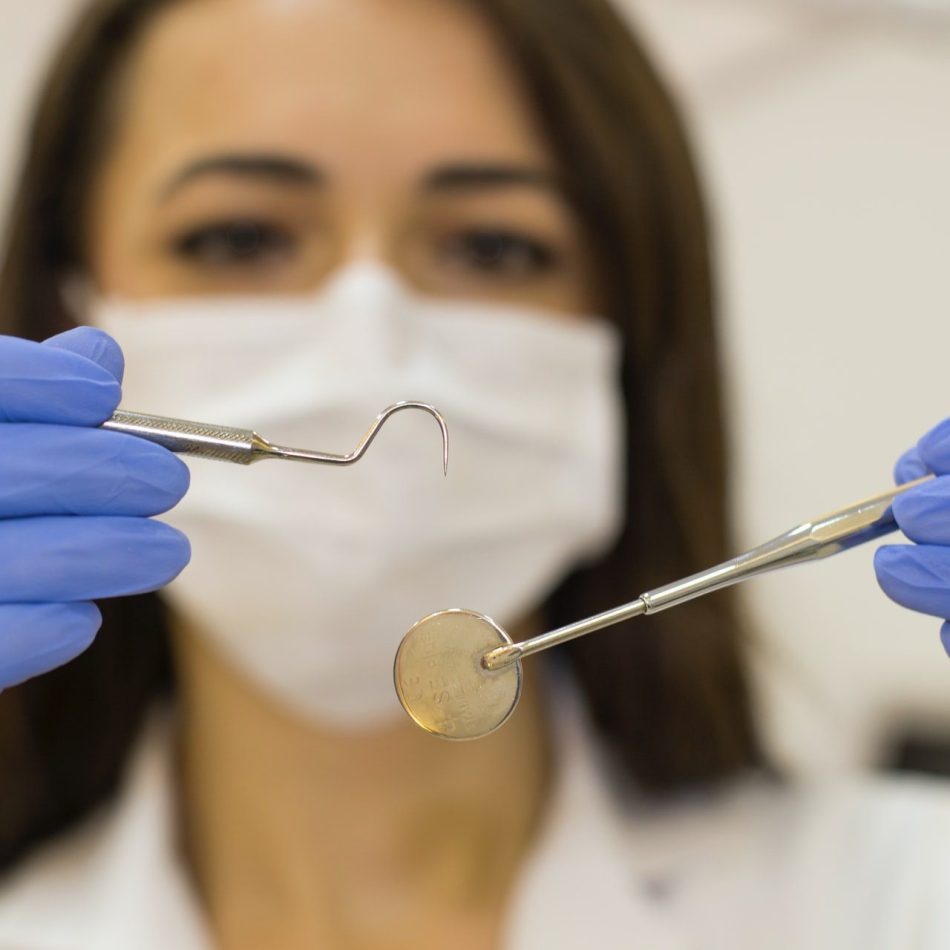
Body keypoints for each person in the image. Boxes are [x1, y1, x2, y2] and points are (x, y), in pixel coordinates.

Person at [0, 0, 948, 947]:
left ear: (629, 338)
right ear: (69, 297)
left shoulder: (902, 901)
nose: (370, 341)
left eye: (493, 246)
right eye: (240, 238)